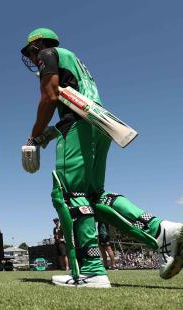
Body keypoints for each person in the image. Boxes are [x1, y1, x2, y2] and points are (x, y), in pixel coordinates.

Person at [20, 28, 183, 288]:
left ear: (38, 44)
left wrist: (33, 136)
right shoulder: (74, 61)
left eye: (32, 51)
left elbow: (50, 97)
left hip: (78, 127)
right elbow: (76, 104)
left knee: (70, 195)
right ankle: (163, 230)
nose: (33, 57)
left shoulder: (49, 54)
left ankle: (93, 272)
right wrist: (47, 136)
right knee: (96, 197)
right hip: (100, 124)